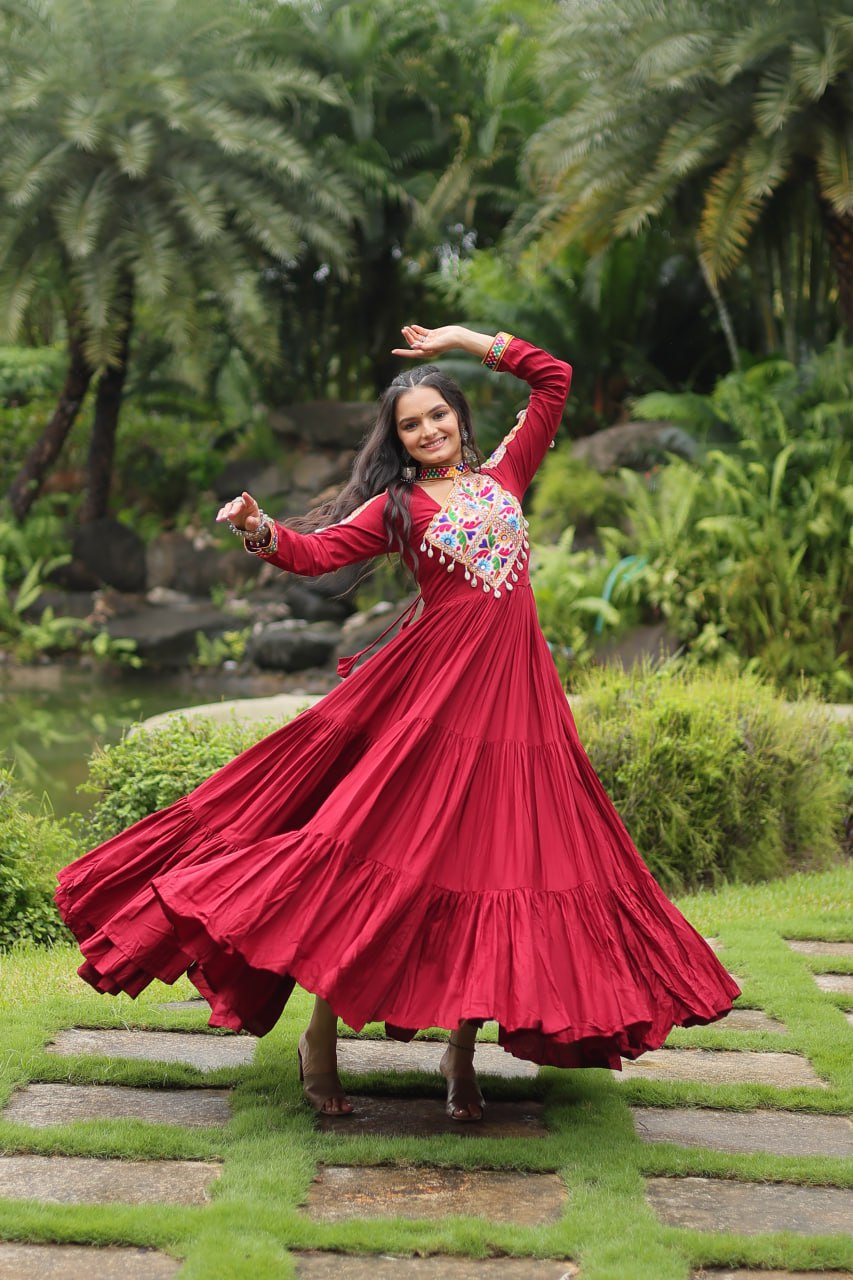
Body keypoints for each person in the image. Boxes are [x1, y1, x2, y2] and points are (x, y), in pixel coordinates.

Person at [56, 323, 740, 1123]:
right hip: (432, 703)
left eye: (436, 416)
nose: (426, 431)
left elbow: (552, 377)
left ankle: (462, 1053)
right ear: (400, 441)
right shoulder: (396, 506)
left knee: (496, 866)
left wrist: (461, 339)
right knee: (372, 854)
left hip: (517, 705)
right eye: (411, 425)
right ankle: (320, 1038)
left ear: (458, 417)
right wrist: (255, 527)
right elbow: (312, 556)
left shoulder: (506, 473)